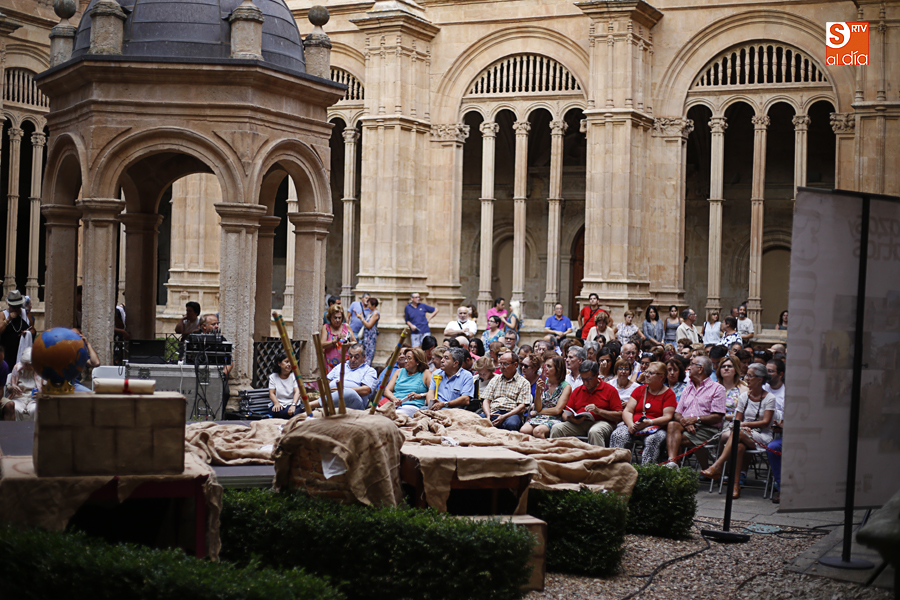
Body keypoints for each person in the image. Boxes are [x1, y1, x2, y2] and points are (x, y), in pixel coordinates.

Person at [701, 363, 776, 498]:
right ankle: (735, 486)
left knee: (738, 433)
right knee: (739, 446)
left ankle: (717, 466)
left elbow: (765, 422)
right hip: (743, 434)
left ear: (760, 379)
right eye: (746, 375)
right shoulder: (744, 397)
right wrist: (742, 426)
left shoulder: (770, 398)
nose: (746, 378)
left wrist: (745, 425)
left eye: (750, 375)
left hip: (762, 436)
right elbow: (738, 420)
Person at [663, 356, 726, 469]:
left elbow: (718, 416)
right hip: (686, 426)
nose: (689, 368)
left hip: (708, 428)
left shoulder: (717, 388)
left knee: (674, 439)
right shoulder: (688, 388)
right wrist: (686, 422)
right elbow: (677, 413)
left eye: (692, 364)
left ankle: (674, 468)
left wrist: (696, 419)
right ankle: (672, 463)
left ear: (700, 369)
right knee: (672, 425)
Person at [610, 362, 677, 464]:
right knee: (618, 434)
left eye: (651, 373)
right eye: (646, 372)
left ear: (661, 377)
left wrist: (649, 423)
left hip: (656, 428)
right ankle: (615, 468)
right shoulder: (639, 390)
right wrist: (630, 424)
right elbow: (627, 411)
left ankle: (646, 473)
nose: (646, 375)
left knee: (653, 440)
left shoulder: (669, 394)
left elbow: (668, 417)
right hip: (634, 424)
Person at [550, 360, 622, 447]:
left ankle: (599, 459)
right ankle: (556, 457)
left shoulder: (610, 390)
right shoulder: (578, 390)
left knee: (595, 431)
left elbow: (619, 414)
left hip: (603, 422)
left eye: (588, 379)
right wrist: (573, 419)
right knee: (557, 428)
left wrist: (599, 411)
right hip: (580, 423)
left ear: (596, 375)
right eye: (583, 379)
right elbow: (565, 414)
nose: (585, 383)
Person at [311, 343, 378, 411]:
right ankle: (323, 404)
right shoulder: (340, 366)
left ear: (364, 357)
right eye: (351, 356)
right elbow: (326, 382)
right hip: (333, 399)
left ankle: (312, 405)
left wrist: (342, 390)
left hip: (354, 403)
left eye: (356, 357)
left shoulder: (369, 370)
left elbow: (366, 390)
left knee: (349, 392)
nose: (352, 359)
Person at [521, 355, 571, 438]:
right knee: (524, 430)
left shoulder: (566, 386)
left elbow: (557, 410)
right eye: (545, 366)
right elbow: (538, 407)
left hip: (555, 418)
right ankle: (529, 449)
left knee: (538, 431)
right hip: (540, 417)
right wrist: (537, 391)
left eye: (549, 366)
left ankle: (544, 450)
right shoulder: (543, 382)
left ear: (558, 369)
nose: (545, 369)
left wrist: (539, 412)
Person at [478, 352, 532, 431]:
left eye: (506, 364)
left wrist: (504, 416)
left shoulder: (524, 382)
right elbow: (486, 400)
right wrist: (488, 415)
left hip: (511, 414)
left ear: (515, 365)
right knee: (476, 419)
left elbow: (522, 406)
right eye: (500, 363)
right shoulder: (495, 379)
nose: (502, 367)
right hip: (493, 412)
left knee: (512, 424)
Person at [384, 347, 431, 417]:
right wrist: (394, 398)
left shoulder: (426, 373)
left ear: (418, 361)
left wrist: (420, 395)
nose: (405, 361)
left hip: (412, 406)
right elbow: (387, 390)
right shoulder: (399, 372)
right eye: (406, 358)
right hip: (394, 405)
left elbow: (434, 392)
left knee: (394, 415)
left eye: (409, 358)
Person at [1, 348, 42, 421]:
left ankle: (33, 430)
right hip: (19, 397)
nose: (29, 367)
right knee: (15, 408)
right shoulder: (17, 368)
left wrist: (41, 393)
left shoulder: (40, 369)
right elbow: (9, 387)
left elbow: (47, 389)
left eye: (31, 364)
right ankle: (17, 430)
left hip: (34, 399)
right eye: (26, 365)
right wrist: (12, 388)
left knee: (35, 409)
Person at [0, 291, 29, 371]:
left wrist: (27, 333)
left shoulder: (24, 313)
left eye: (18, 306)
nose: (16, 309)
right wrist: (8, 319)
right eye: (13, 307)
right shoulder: (3, 314)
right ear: (9, 305)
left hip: (21, 351)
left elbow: (32, 329)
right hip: (7, 352)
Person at [716, 354, 746, 432]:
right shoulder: (713, 388)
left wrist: (724, 417)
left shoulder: (744, 389)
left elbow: (745, 414)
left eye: (729, 366)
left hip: (734, 425)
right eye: (723, 366)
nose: (726, 368)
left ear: (735, 370)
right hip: (714, 424)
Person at [321, 304, 356, 369]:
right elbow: (322, 344)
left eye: (339, 318)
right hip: (330, 364)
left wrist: (349, 344)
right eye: (335, 317)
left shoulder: (346, 326)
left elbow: (355, 342)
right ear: (330, 317)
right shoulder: (326, 327)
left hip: (345, 363)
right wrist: (335, 341)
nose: (337, 320)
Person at [268, 352, 300, 419]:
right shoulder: (273, 377)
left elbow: (297, 392)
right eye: (286, 362)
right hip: (279, 404)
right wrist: (276, 403)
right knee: (276, 411)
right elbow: (271, 393)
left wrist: (293, 405)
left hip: (292, 403)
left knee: (290, 412)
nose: (289, 365)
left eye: (291, 362)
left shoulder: (294, 376)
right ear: (279, 363)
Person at [355, 296, 380, 365]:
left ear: (373, 305)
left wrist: (361, 318)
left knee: (369, 353)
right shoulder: (370, 312)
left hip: (370, 336)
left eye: (369, 304)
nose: (367, 305)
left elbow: (369, 325)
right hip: (366, 336)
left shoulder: (375, 313)